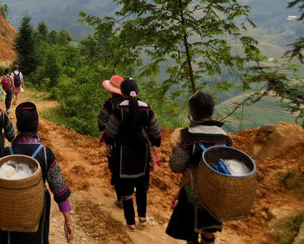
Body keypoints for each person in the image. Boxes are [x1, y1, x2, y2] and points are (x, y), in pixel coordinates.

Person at [0, 102, 74, 243]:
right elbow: (58, 187)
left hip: (11, 207)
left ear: (17, 126)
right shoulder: (45, 153)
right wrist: (68, 220)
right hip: (38, 206)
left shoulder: (7, 154)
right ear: (37, 125)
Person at [166, 92, 233, 244]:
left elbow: (176, 166)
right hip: (215, 192)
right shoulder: (225, 137)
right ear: (211, 110)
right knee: (208, 230)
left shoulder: (187, 136)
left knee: (191, 233)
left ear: (192, 111)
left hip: (192, 192)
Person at [103, 78, 161, 232]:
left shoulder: (119, 109)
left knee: (126, 188)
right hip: (142, 153)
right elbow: (156, 131)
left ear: (122, 93)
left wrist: (108, 143)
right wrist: (155, 145)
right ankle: (142, 216)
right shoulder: (147, 108)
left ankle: (130, 222)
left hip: (122, 153)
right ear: (137, 91)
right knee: (142, 186)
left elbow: (110, 132)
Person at [97, 74, 125, 208]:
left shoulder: (110, 103)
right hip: (134, 142)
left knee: (116, 168)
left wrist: (104, 132)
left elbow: (102, 121)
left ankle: (121, 199)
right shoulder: (132, 102)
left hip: (115, 141)